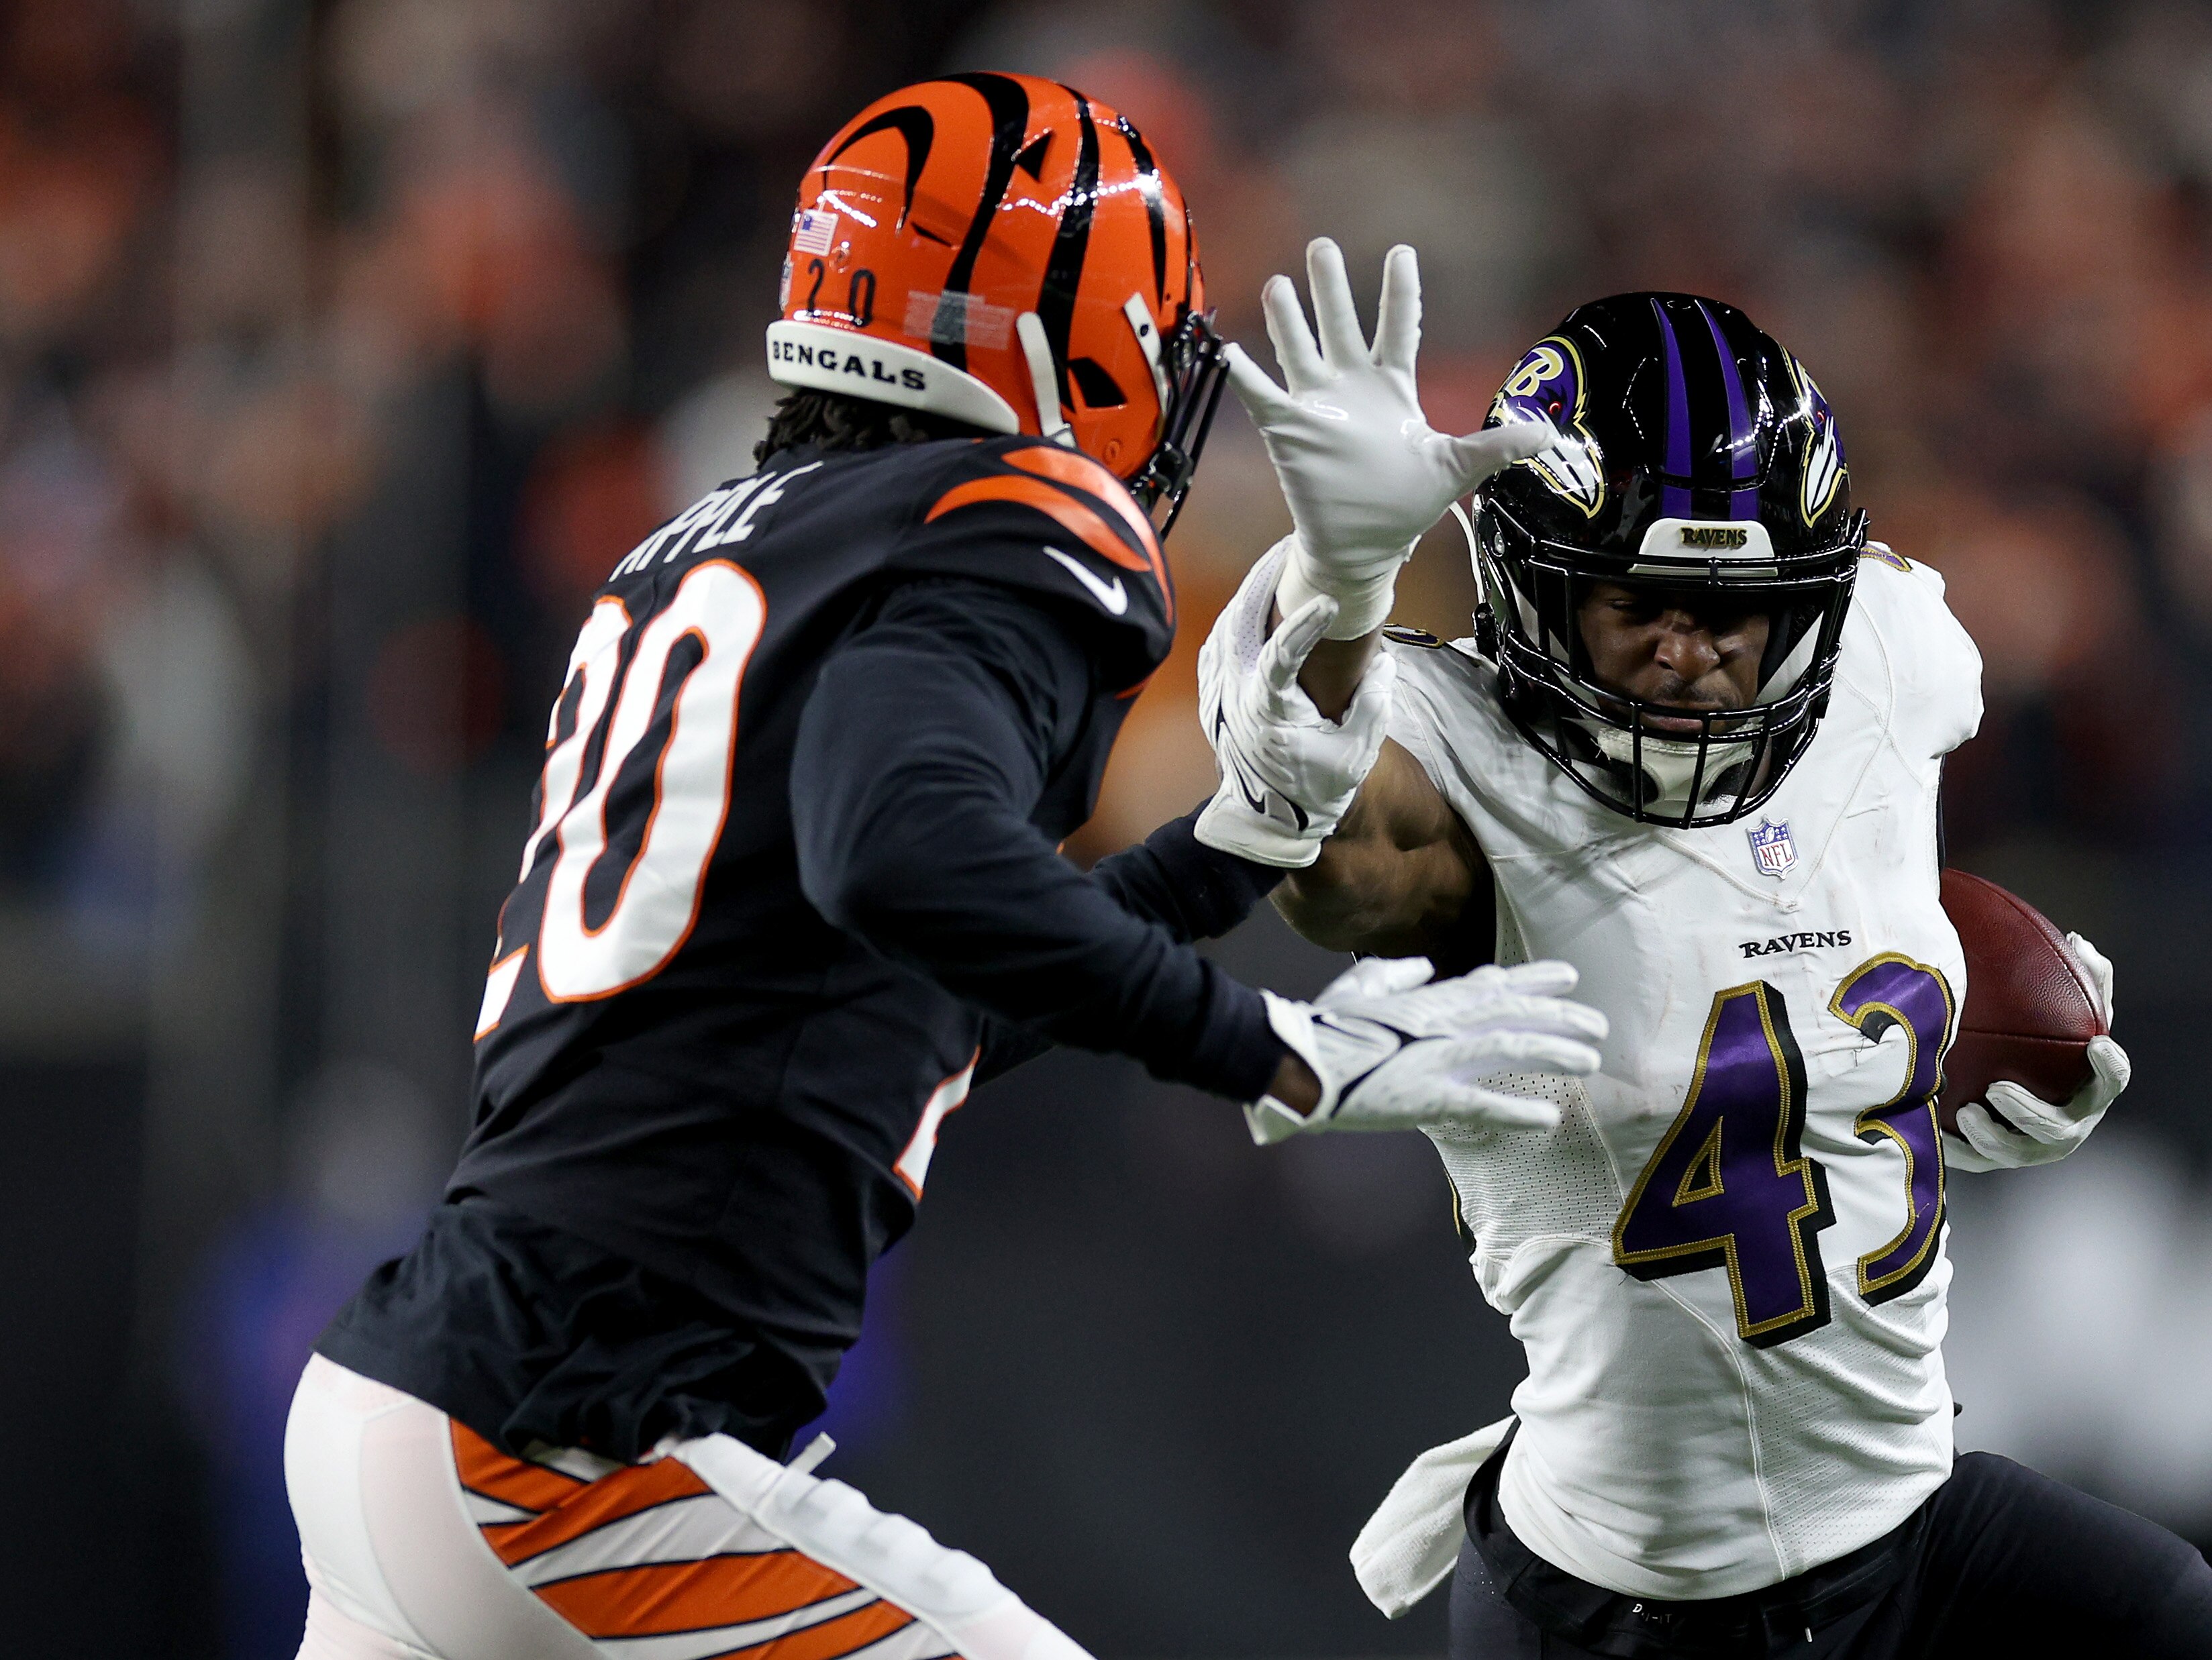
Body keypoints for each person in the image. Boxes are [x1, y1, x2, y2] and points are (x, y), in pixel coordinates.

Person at [282, 77, 1607, 1660]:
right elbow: (900, 855)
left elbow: (918, 994)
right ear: (1062, 338)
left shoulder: (721, 543)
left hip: (422, 1407)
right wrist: (1279, 1047)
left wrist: (1231, 846)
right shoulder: (999, 517)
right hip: (574, 1457)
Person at [1195, 246, 2212, 1657]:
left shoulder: (1888, 652)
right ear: (1533, 591)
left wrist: (1954, 1058)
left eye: (1730, 609)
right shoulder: (1454, 751)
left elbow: (1806, 929)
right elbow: (1332, 863)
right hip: (1622, 1598)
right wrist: (1337, 585)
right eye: (1635, 607)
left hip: (1915, 1527)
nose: (1690, 653)